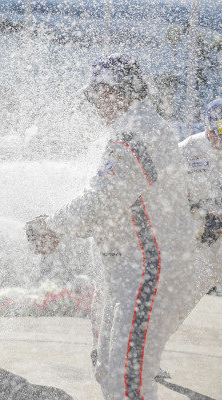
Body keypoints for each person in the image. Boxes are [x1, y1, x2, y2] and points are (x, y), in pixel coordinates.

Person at [26, 54, 196, 400]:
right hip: (130, 268)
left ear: (110, 91)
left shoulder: (138, 130)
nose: (93, 106)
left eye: (93, 96)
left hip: (148, 267)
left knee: (127, 380)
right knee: (109, 370)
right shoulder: (136, 127)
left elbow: (103, 199)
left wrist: (52, 225)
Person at [174, 99, 222, 324]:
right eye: (218, 132)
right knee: (173, 311)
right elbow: (166, 195)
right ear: (207, 128)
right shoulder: (186, 150)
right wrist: (198, 216)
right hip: (200, 246)